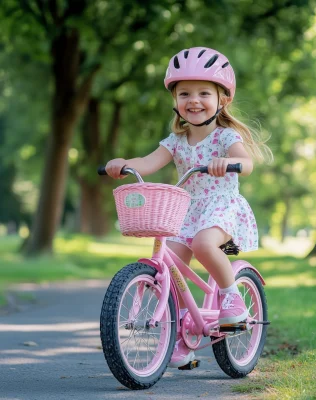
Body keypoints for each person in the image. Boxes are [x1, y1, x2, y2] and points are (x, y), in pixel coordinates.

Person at [105, 47, 272, 368]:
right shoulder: (176, 140)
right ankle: (181, 333)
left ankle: (232, 300)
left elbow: (247, 162)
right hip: (186, 210)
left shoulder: (225, 136)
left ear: (222, 100)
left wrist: (229, 162)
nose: (193, 100)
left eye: (204, 93)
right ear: (175, 100)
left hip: (222, 208)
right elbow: (148, 162)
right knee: (173, 264)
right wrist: (124, 163)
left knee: (203, 245)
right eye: (185, 93)